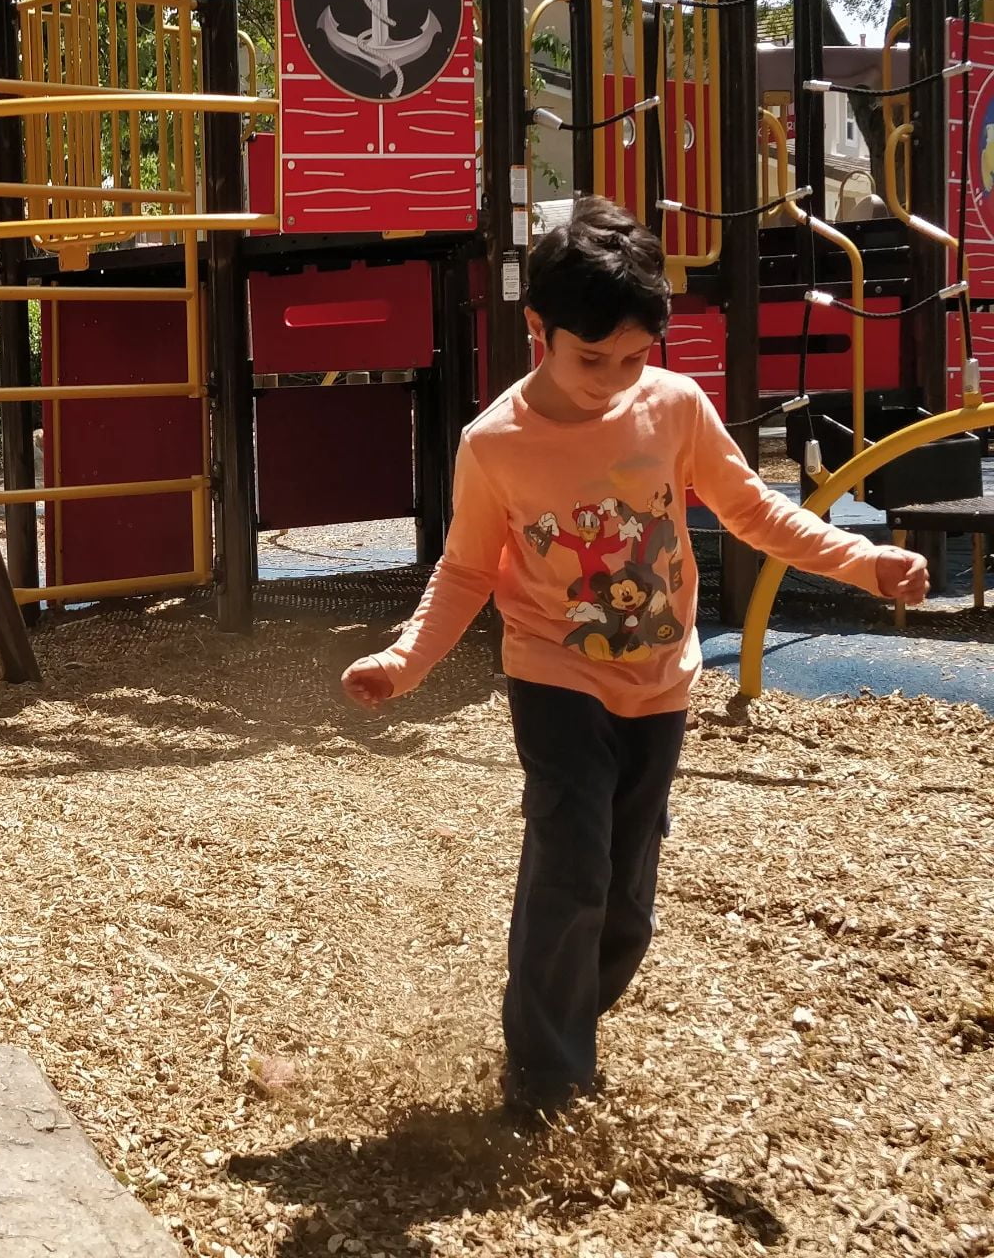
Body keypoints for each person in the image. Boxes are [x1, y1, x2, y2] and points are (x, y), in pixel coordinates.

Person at [340, 196, 928, 1119]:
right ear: (537, 329)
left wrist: (863, 559)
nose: (614, 378)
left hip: (659, 682)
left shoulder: (674, 406)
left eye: (634, 355)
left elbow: (754, 512)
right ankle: (546, 1074)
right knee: (571, 865)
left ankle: (560, 1021)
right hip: (555, 674)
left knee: (624, 903)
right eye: (590, 357)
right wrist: (406, 662)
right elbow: (465, 570)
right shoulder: (495, 444)